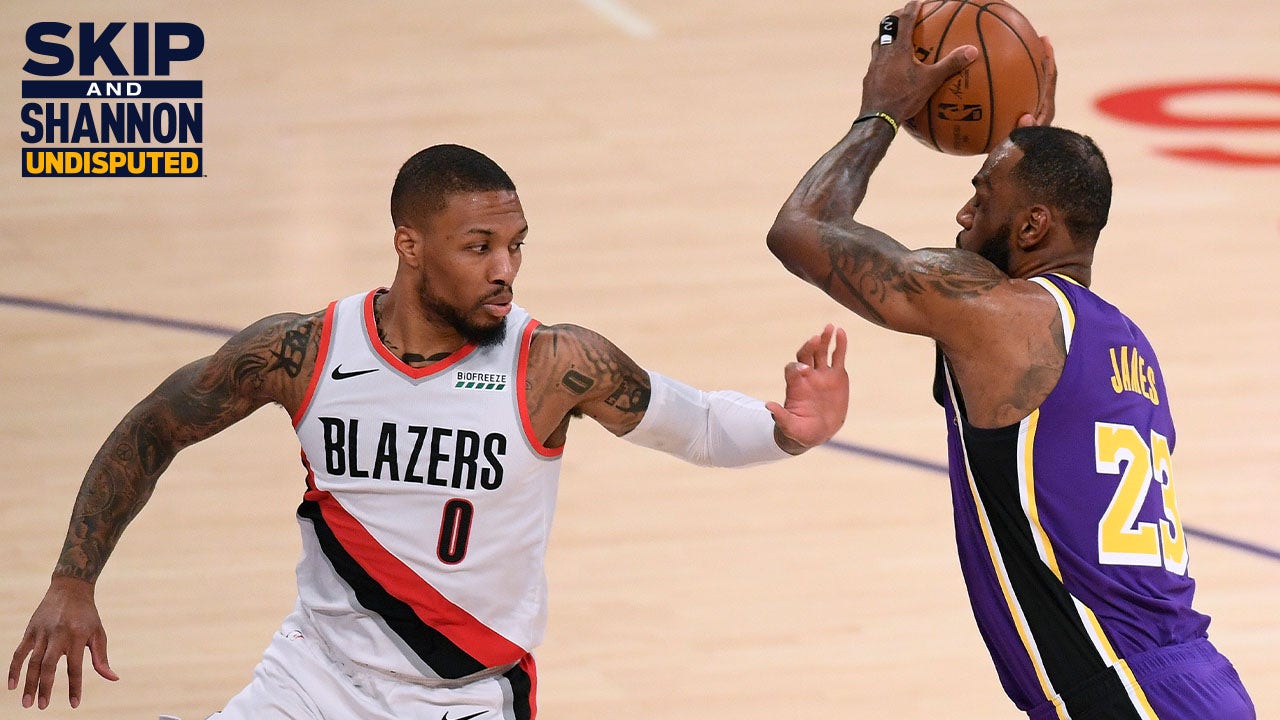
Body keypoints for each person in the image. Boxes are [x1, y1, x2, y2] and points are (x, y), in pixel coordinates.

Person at [8, 143, 850, 717]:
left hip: (465, 694)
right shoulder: (303, 351)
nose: (505, 270)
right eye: (479, 246)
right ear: (409, 246)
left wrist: (788, 430)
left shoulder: (553, 363)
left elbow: (694, 424)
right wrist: (73, 580)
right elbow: (153, 428)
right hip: (314, 676)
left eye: (516, 246)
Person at [764, 3, 1255, 718]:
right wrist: (1028, 149)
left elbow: (800, 230)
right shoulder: (1125, 346)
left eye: (980, 196)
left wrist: (881, 112)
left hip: (1123, 694)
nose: (964, 215)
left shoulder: (999, 319)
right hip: (1201, 685)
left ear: (1032, 226)